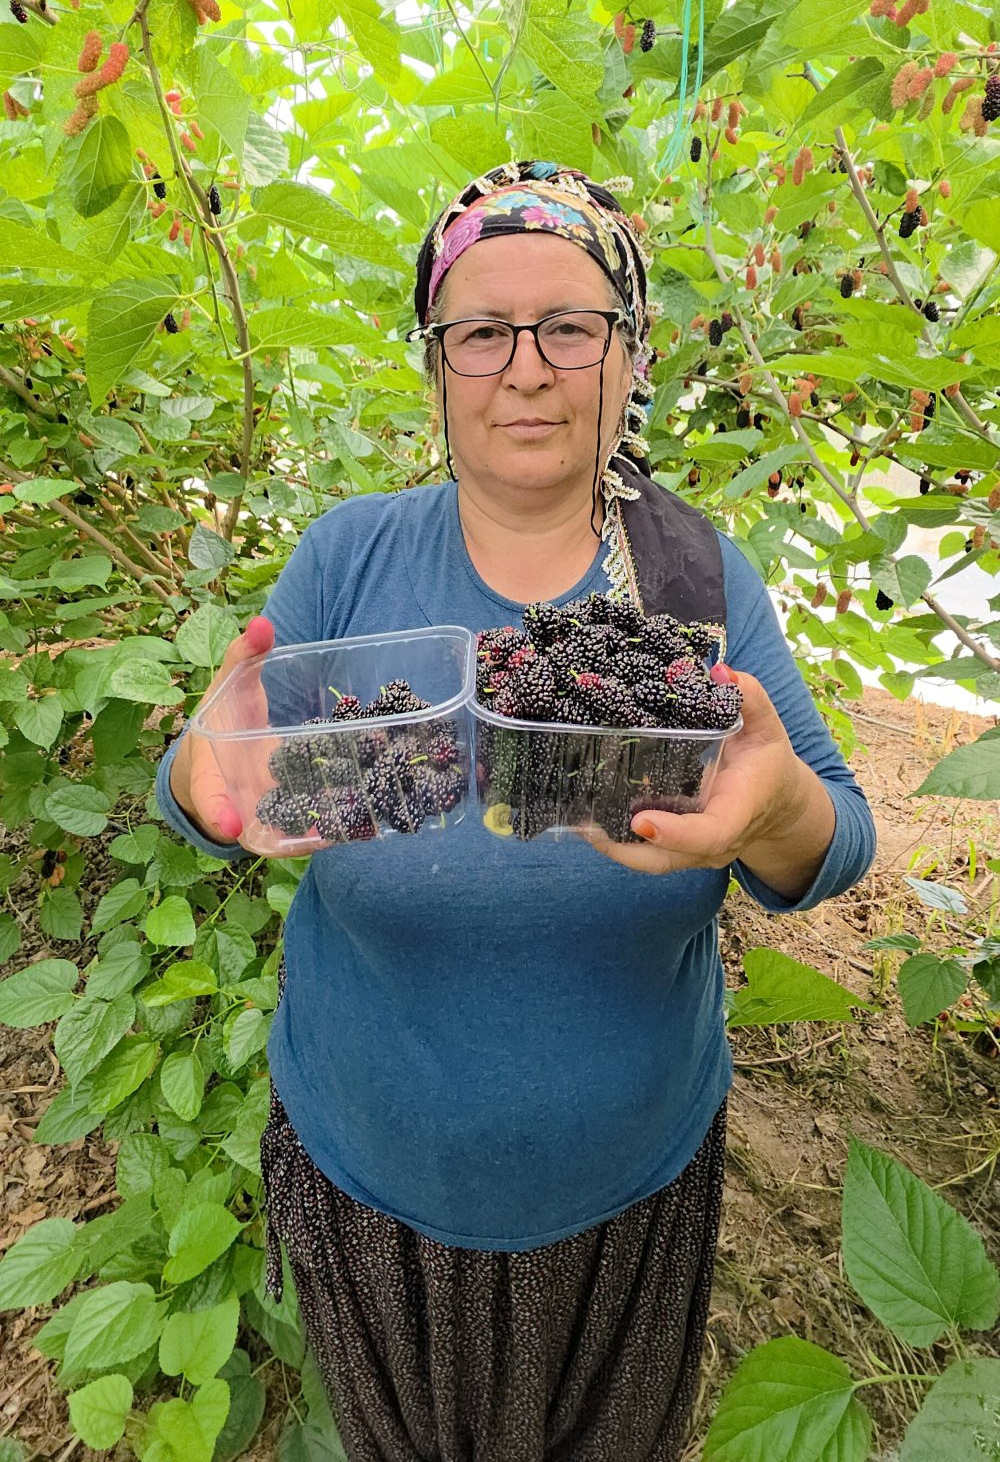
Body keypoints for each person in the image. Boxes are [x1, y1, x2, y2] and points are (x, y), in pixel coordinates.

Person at [156, 159, 877, 1462]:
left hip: (628, 1185)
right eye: (483, 331)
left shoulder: (694, 576)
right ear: (437, 364)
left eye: (571, 326)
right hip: (367, 1166)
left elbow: (835, 832)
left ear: (629, 352)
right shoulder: (350, 559)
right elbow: (222, 774)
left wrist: (772, 817)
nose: (528, 368)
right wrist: (205, 783)